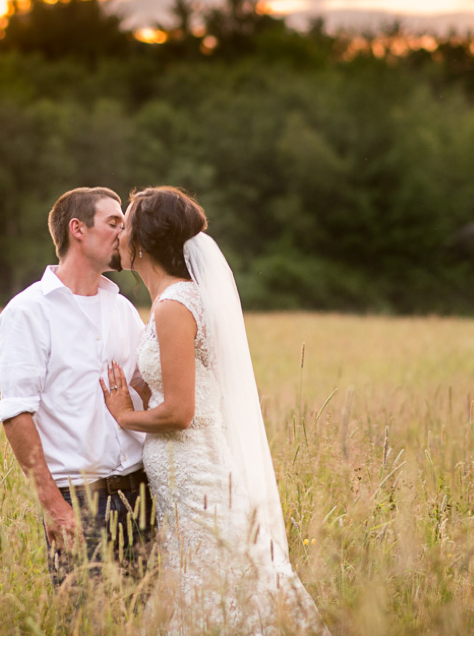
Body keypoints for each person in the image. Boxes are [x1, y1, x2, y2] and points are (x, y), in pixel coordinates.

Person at [100, 186, 325, 635]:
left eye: (125, 224)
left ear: (142, 242)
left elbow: (181, 411)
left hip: (194, 473)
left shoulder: (174, 306)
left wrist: (125, 416)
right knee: (208, 580)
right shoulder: (170, 302)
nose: (119, 234)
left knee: (217, 582)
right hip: (184, 474)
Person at [0, 186, 157, 591]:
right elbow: (16, 413)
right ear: (77, 229)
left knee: (146, 621)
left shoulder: (121, 307)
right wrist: (54, 506)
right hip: (79, 501)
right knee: (87, 623)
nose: (123, 233)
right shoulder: (28, 312)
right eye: (114, 222)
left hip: (141, 492)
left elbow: (148, 386)